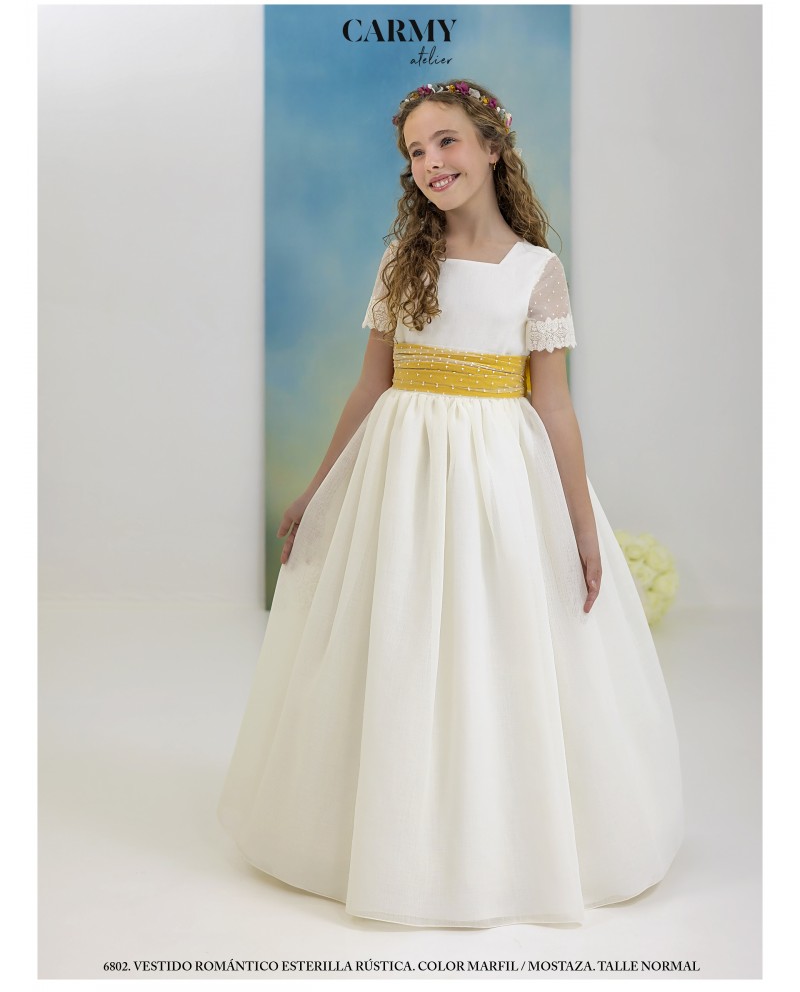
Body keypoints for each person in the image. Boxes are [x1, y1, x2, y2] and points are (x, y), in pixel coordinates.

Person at [217, 78, 684, 929]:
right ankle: (390, 828)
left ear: (492, 149)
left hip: (498, 481)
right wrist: (318, 487)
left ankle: (494, 835)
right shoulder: (404, 259)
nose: (431, 161)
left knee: (490, 642)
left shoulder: (537, 272)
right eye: (415, 152)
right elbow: (370, 387)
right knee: (400, 635)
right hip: (402, 475)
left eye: (447, 142)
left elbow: (555, 406)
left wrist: (583, 526)